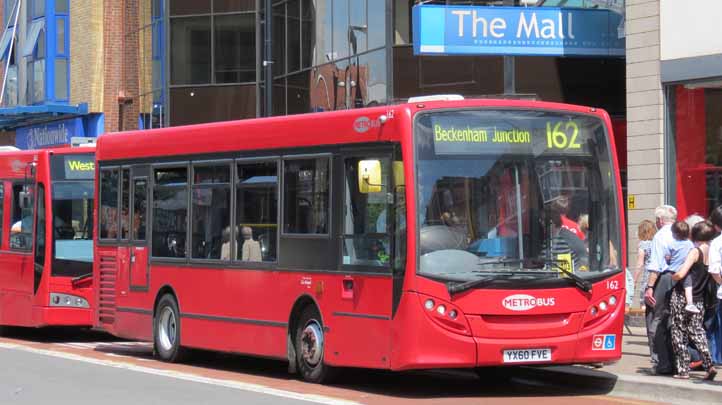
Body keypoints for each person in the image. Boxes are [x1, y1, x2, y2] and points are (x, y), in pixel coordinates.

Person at [669, 221, 717, 380]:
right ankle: (709, 364)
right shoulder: (712, 252)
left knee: (678, 332)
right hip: (699, 300)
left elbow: (681, 274)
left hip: (682, 298)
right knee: (698, 332)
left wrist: (673, 276)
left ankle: (683, 370)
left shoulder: (695, 252)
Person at [643, 204, 678, 375]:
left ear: (660, 220)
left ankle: (660, 362)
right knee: (673, 321)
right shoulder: (682, 234)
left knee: (655, 320)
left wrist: (650, 287)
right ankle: (676, 361)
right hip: (679, 279)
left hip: (663, 279)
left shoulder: (660, 236)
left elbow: (655, 266)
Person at [667, 221, 697, 314]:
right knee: (688, 287)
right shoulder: (690, 244)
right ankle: (690, 303)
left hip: (672, 270)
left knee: (669, 289)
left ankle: (667, 304)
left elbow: (667, 256)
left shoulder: (671, 244)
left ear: (674, 234)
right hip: (685, 270)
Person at [634, 220, 656, 310]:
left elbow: (640, 263)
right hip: (658, 275)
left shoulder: (643, 245)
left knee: (644, 302)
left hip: (648, 276)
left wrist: (634, 280)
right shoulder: (656, 242)